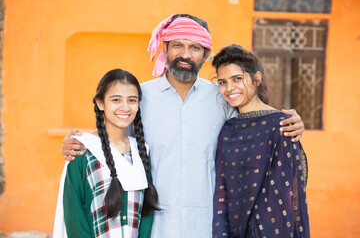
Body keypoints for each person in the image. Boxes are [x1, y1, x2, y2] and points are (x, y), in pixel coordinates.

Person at [60, 14, 305, 238]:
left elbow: (255, 124)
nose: (186, 54)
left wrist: (289, 120)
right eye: (178, 45)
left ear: (205, 53)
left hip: (209, 226)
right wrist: (81, 140)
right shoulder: (141, 96)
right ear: (164, 48)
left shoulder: (222, 97)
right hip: (154, 227)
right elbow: (115, 135)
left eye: (195, 47)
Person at [212, 44, 310, 238]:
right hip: (232, 229)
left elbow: (288, 190)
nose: (229, 88)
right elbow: (221, 190)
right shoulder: (228, 130)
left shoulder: (281, 126)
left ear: (257, 78)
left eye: (237, 79)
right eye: (222, 82)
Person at [53, 69, 159, 238]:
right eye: (116, 100)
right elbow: (74, 215)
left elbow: (146, 211)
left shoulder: (141, 151)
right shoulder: (83, 150)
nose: (125, 107)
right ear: (100, 103)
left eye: (132, 100)